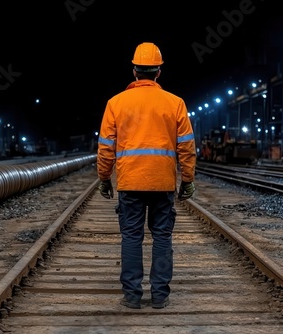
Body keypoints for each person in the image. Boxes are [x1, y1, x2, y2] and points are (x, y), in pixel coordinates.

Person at [96, 42, 196, 309]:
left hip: (130, 181)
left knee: (131, 237)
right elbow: (186, 145)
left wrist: (104, 178)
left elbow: (106, 147)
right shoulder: (175, 103)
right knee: (162, 236)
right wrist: (187, 179)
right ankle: (160, 295)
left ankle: (132, 295)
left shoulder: (116, 103)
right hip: (162, 182)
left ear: (134, 71)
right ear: (158, 73)